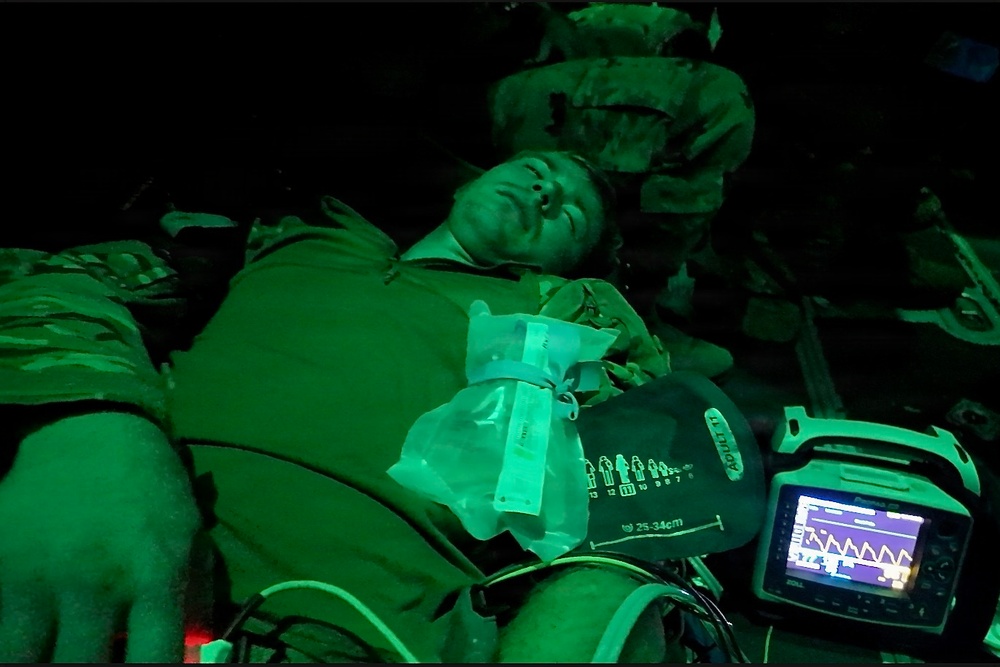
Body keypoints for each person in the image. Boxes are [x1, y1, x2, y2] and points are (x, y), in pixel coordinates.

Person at [0, 150, 682, 662]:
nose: (542, 189)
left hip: (321, 631)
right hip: (71, 533)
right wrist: (91, 425)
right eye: (535, 169)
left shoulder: (556, 319)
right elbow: (47, 278)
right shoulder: (297, 238)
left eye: (566, 209)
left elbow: (651, 481)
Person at [487, 2, 756, 378]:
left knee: (675, 34)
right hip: (468, 66)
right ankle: (627, 311)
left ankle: (620, 276)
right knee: (717, 100)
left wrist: (537, 12)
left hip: (515, 23)